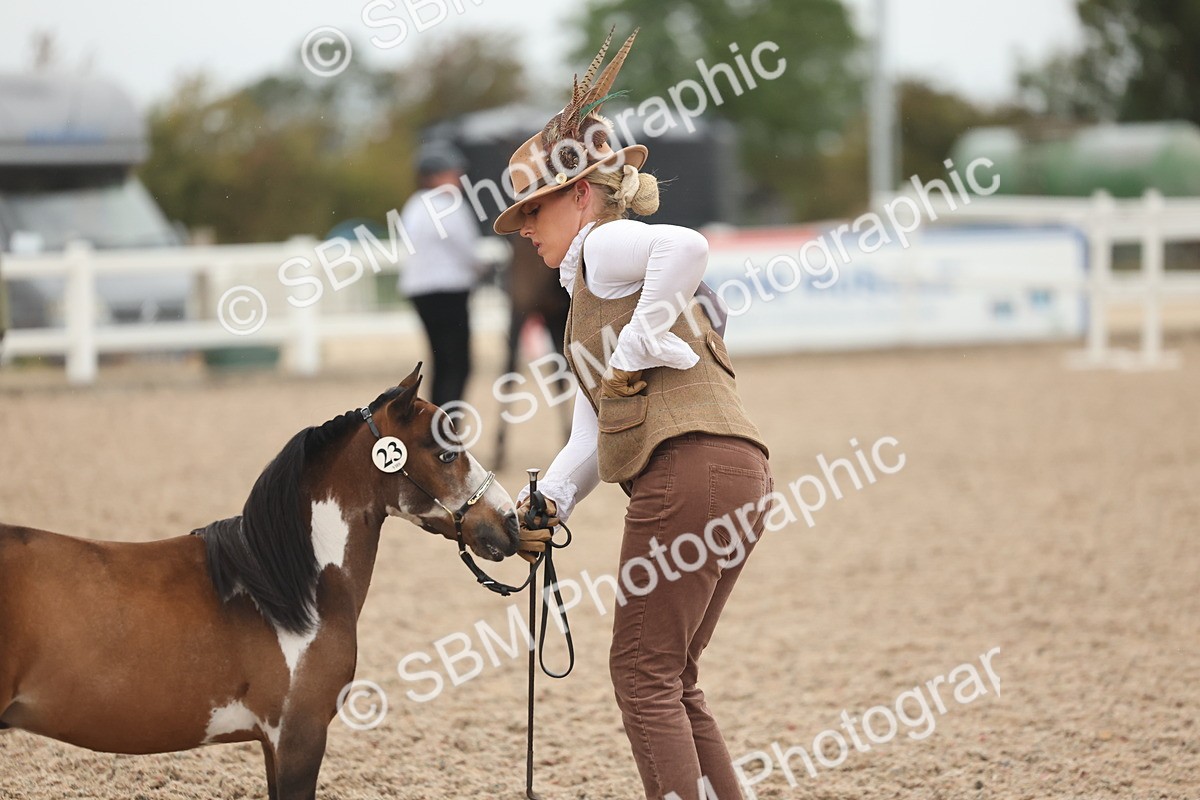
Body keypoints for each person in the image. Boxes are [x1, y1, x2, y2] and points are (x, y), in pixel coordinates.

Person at [497, 29, 773, 800]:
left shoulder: (608, 245)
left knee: (642, 675)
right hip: (739, 472)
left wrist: (646, 336)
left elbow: (685, 245)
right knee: (673, 676)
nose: (524, 229)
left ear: (581, 194)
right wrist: (546, 502)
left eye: (534, 210)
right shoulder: (589, 286)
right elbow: (591, 433)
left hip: (685, 474)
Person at [399, 141, 487, 406]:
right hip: (450, 292)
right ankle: (449, 426)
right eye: (453, 171)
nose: (459, 177)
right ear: (436, 175)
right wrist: (483, 268)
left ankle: (435, 421)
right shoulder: (451, 205)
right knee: (459, 364)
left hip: (419, 292)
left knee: (440, 362)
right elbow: (467, 249)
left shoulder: (413, 206)